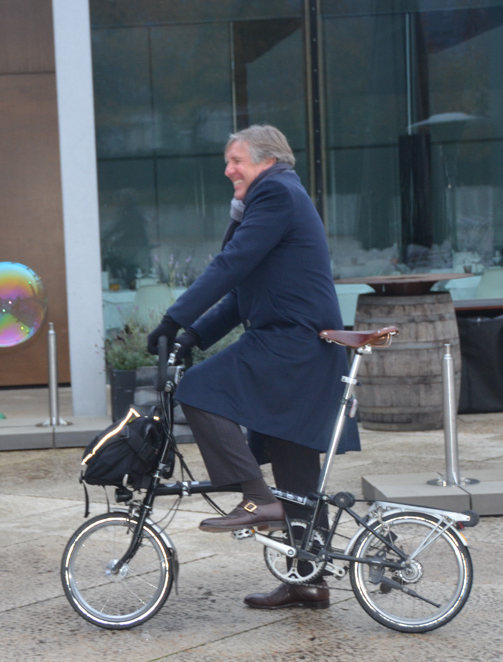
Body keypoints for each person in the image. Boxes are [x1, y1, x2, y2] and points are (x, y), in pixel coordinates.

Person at [147, 125, 359, 610]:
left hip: (292, 343)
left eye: (236, 161)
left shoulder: (276, 194)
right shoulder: (276, 196)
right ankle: (308, 581)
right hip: (300, 346)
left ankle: (257, 498)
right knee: (295, 470)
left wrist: (173, 318)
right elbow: (242, 291)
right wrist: (192, 336)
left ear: (267, 160)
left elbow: (231, 265)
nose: (228, 170)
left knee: (199, 390)